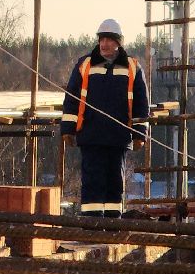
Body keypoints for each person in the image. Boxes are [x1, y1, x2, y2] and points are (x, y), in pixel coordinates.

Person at [61, 18, 149, 217]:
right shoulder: (85, 65)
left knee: (114, 183)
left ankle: (112, 224)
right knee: (92, 180)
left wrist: (140, 134)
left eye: (109, 39)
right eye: (102, 39)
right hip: (91, 134)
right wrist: (67, 129)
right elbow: (72, 99)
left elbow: (141, 104)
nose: (104, 43)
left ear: (118, 42)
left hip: (118, 136)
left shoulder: (132, 67)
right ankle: (91, 224)